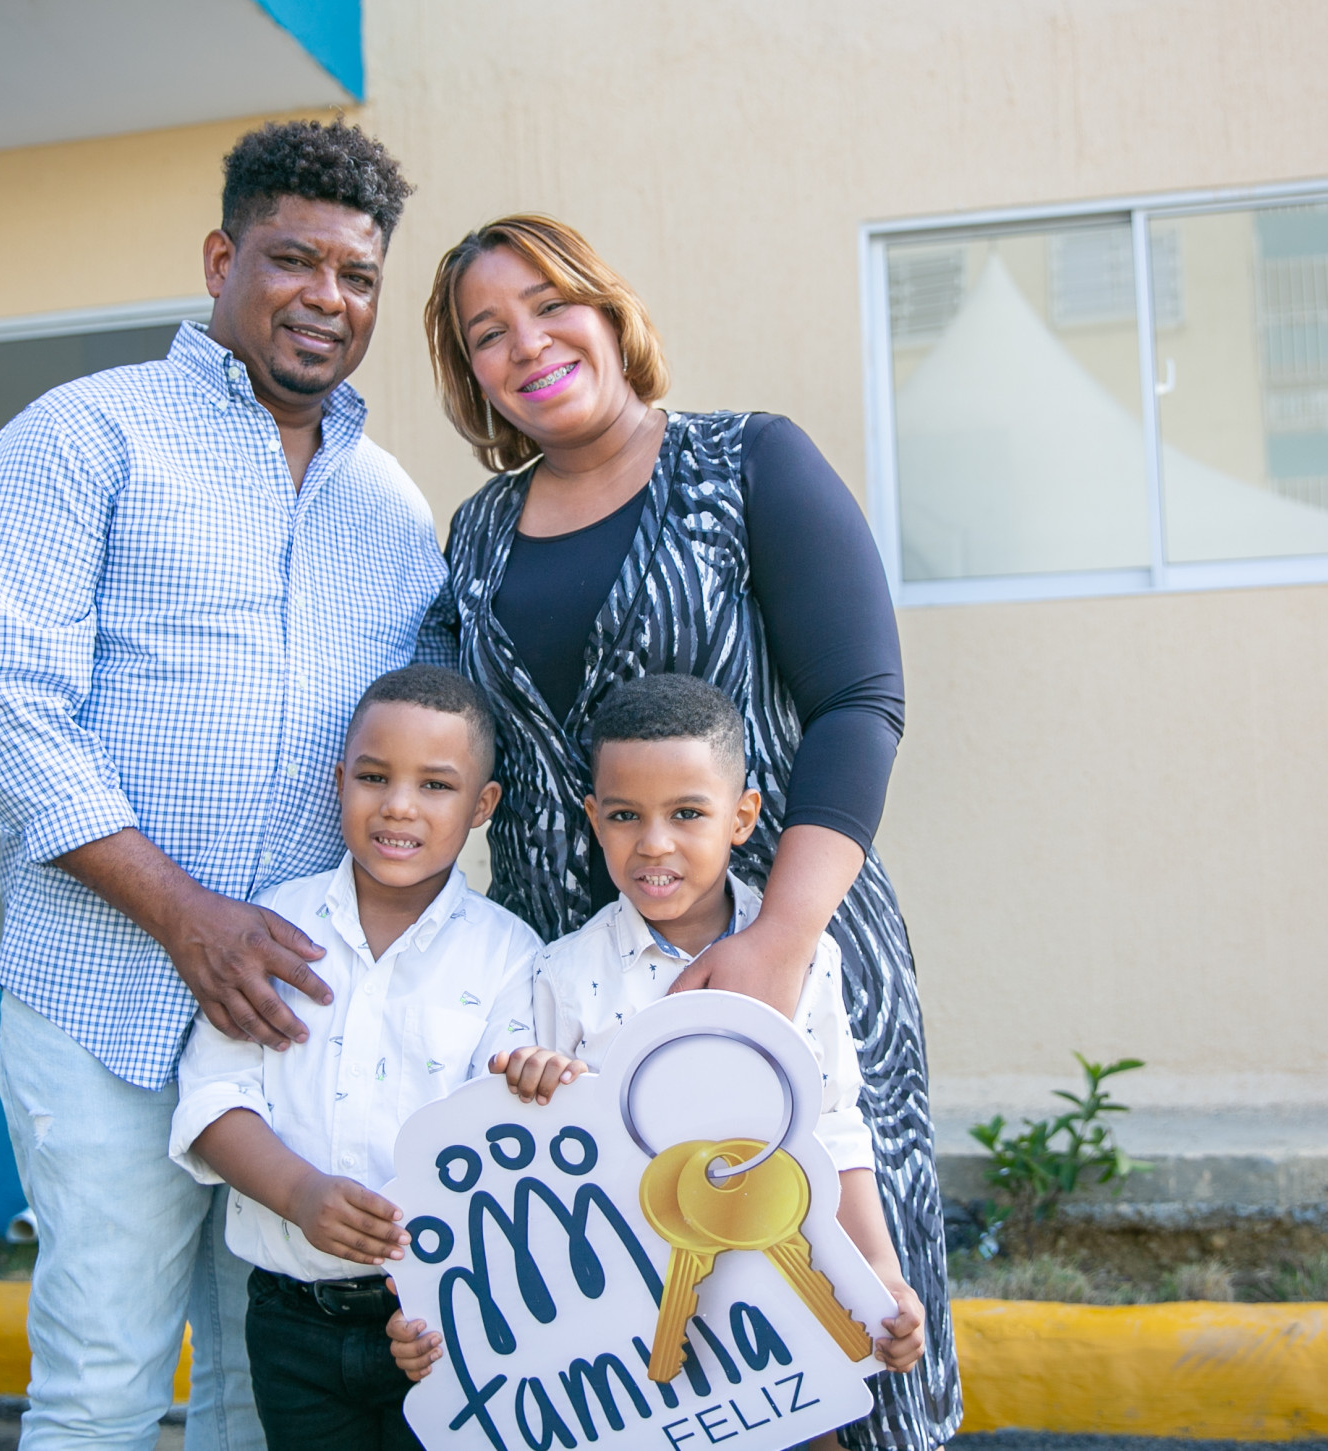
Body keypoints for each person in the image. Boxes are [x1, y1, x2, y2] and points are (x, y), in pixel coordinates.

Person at [0, 121, 441, 1450]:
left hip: (294, 1029)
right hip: (104, 997)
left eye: (357, 276)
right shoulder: (82, 434)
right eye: (294, 260)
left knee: (261, 1393)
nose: (327, 298)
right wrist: (185, 914)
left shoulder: (391, 507)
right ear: (223, 260)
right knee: (103, 1385)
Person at [420, 215, 961, 1448]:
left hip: (781, 949)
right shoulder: (479, 534)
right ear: (471, 375)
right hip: (580, 993)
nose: (527, 344)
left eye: (550, 305)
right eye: (487, 333)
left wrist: (779, 938)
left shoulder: (746, 462)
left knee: (833, 1307)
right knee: (635, 1343)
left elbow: (859, 700)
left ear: (609, 312)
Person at [388, 676, 925, 1445]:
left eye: (687, 814)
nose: (654, 843)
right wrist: (536, 1088)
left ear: (742, 816)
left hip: (777, 1331)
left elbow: (833, 1126)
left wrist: (880, 1269)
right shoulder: (560, 975)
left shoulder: (807, 959)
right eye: (625, 816)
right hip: (624, 1343)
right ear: (593, 819)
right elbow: (503, 1172)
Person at [170, 665, 539, 1449]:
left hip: (443, 1319)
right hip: (291, 1322)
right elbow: (211, 1098)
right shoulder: (273, 927)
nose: (399, 804)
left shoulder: (510, 954)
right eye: (374, 777)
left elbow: (505, 1145)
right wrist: (300, 1191)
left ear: (482, 806)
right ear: (340, 782)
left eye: (435, 785)